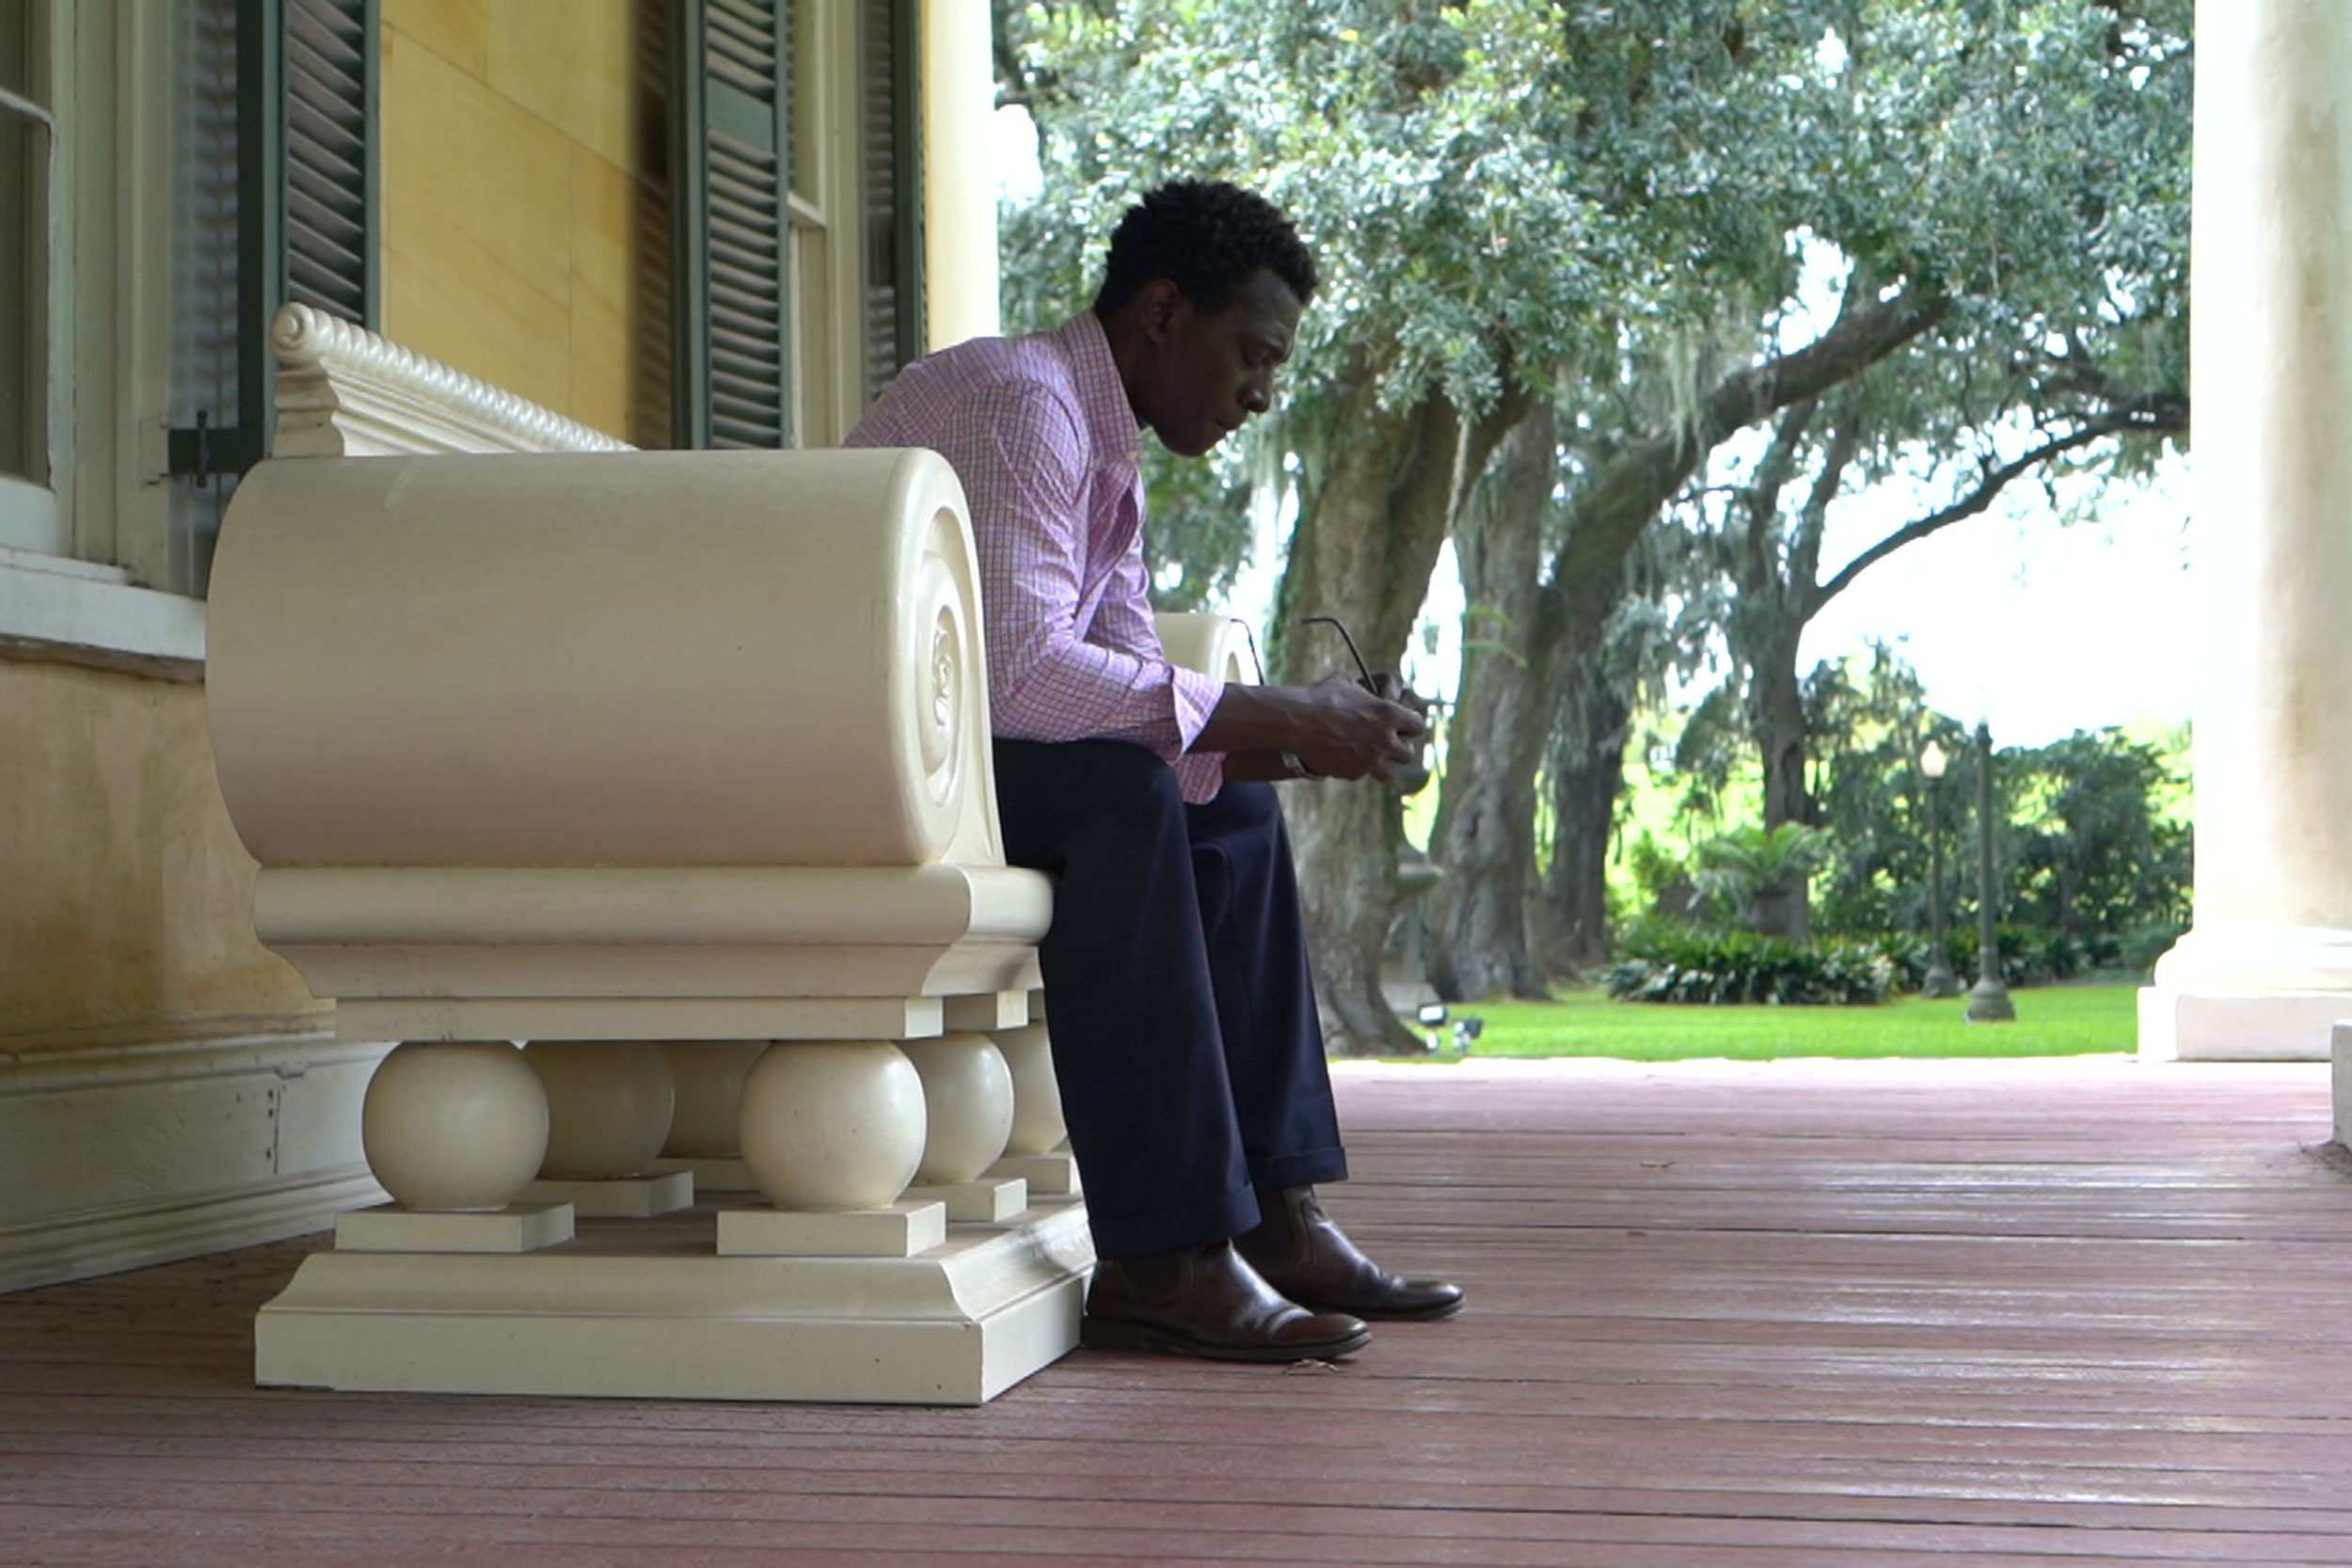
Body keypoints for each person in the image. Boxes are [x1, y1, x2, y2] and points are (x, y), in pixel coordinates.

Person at [846, 179, 1461, 1363]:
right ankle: (1163, 1258)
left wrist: (1309, 741)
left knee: (1227, 806)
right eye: (1252, 353)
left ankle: (1275, 1215)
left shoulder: (1095, 441)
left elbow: (1123, 683)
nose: (1262, 390)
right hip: (855, 759)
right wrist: (1282, 707)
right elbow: (1024, 679)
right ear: (1166, 311)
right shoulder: (1022, 406)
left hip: (941, 757)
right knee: (1125, 796)